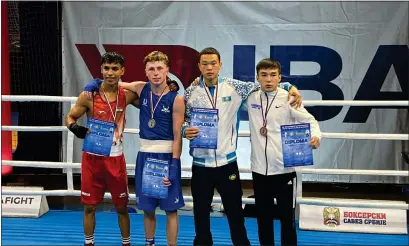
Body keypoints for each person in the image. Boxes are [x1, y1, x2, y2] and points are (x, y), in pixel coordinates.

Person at [182, 47, 303, 246]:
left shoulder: (235, 87)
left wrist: (290, 86)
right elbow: (185, 120)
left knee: (235, 214)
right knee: (200, 214)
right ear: (199, 66)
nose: (209, 67)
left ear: (220, 65)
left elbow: (265, 85)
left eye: (213, 63)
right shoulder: (190, 92)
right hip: (200, 164)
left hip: (227, 163)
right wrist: (185, 130)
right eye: (205, 63)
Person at [83, 51, 185, 246]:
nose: (156, 73)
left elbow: (178, 134)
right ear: (145, 71)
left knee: (171, 209)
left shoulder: (176, 99)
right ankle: (149, 243)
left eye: (160, 69)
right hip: (145, 156)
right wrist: (95, 82)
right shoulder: (140, 88)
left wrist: (174, 164)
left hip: (167, 155)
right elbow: (114, 82)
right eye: (152, 69)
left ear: (167, 70)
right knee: (148, 208)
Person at [242, 58, 321, 246]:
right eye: (264, 75)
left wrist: (316, 136)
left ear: (279, 77)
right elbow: (225, 88)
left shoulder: (289, 98)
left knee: (287, 219)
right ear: (257, 78)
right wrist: (198, 82)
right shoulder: (250, 98)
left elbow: (311, 121)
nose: (268, 79)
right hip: (259, 170)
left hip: (285, 170)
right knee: (263, 218)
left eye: (273, 75)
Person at [65, 52, 140, 246]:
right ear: (101, 70)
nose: (110, 73)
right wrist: (75, 128)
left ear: (122, 71)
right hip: (92, 159)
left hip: (116, 159)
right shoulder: (89, 95)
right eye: (106, 68)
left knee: (122, 207)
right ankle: (88, 243)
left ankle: (126, 243)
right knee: (89, 207)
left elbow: (151, 94)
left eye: (115, 69)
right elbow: (70, 117)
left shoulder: (128, 95)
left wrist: (170, 87)